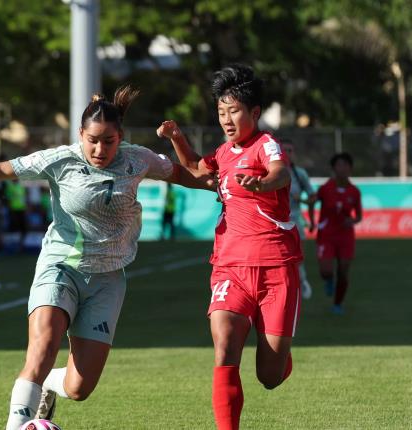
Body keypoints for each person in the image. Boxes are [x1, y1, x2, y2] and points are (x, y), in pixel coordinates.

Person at [0, 85, 211, 430]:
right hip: (60, 266)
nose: (100, 149)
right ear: (81, 134)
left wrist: (211, 178)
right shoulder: (60, 160)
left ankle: (49, 386)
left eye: (109, 141)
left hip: (108, 278)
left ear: (121, 137)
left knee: (79, 388)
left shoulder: (138, 159)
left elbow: (184, 174)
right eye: (93, 140)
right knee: (42, 348)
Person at [156, 64, 303, 430]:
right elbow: (194, 169)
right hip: (230, 267)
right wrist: (176, 137)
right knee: (224, 346)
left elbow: (280, 172)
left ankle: (280, 359)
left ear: (254, 112)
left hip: (276, 268)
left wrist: (261, 185)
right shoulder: (223, 154)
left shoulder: (266, 144)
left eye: (234, 111)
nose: (226, 119)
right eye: (221, 112)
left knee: (269, 377)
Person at [309, 152, 362, 315]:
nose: (342, 168)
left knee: (344, 270)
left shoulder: (354, 191)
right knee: (326, 270)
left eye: (346, 165)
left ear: (350, 168)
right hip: (326, 234)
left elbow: (359, 216)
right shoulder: (326, 188)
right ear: (333, 168)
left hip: (345, 236)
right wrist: (312, 221)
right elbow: (312, 201)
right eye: (339, 165)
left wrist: (351, 221)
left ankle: (338, 304)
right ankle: (328, 280)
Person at [282, 141, 317, 299]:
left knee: (297, 256)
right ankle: (284, 288)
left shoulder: (298, 173)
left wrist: (310, 218)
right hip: (274, 223)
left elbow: (312, 197)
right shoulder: (268, 171)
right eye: (284, 150)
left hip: (295, 222)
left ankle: (302, 283)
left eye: (290, 150)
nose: (287, 153)